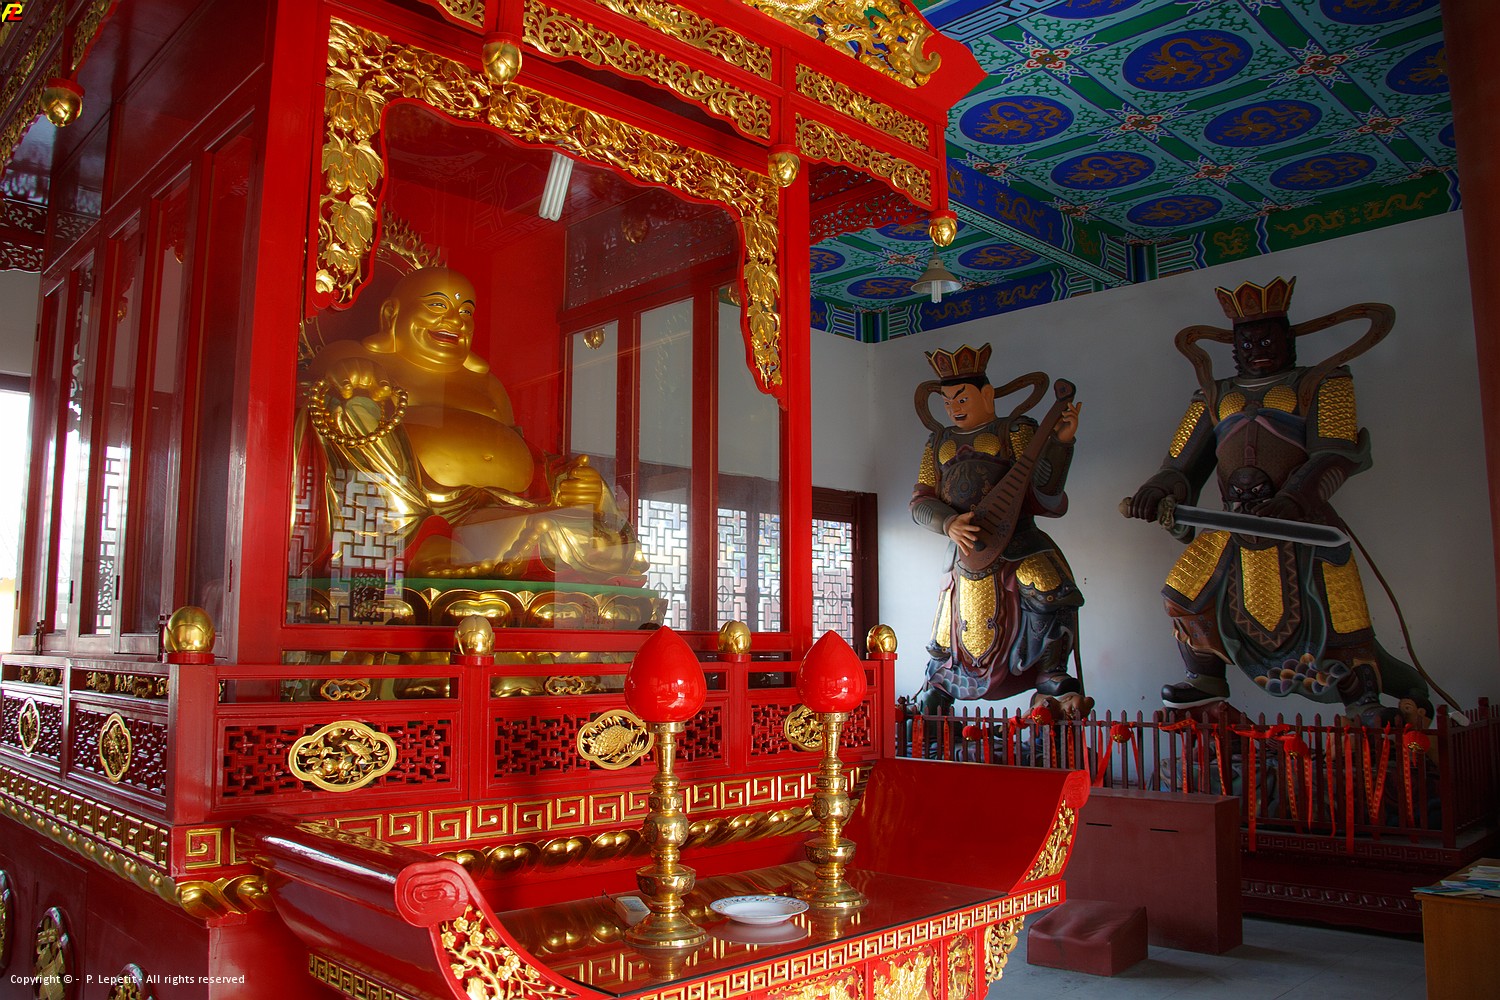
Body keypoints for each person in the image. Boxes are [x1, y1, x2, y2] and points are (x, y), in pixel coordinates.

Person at [1125, 277, 1431, 727]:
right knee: (1182, 591)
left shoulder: (1325, 382)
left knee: (1338, 614)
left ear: (1289, 338)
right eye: (1247, 342)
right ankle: (1205, 676)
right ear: (1234, 348)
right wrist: (1159, 488)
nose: (1257, 349)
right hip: (1233, 522)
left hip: (1302, 522)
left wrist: (1294, 497)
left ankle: (1362, 695)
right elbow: (1180, 462)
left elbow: (1335, 452)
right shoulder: (1211, 395)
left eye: (1268, 339)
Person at [296, 266, 647, 584]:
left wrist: (574, 485)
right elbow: (325, 393)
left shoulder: (488, 384)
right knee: (351, 408)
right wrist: (353, 376)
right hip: (415, 505)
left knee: (570, 534)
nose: (455, 320)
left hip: (498, 508)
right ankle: (416, 543)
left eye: (466, 311)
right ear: (392, 314)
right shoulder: (357, 355)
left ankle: (500, 555)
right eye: (437, 306)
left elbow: (529, 454)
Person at [909, 343, 1088, 719]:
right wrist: (948, 523)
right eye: (947, 402)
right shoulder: (937, 442)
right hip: (965, 550)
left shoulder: (1015, 430)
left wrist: (1060, 443)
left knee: (1052, 590)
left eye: (962, 398)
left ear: (987, 395)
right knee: (946, 626)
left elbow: (1042, 488)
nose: (954, 408)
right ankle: (938, 685)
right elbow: (920, 501)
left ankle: (1051, 670)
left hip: (1018, 540)